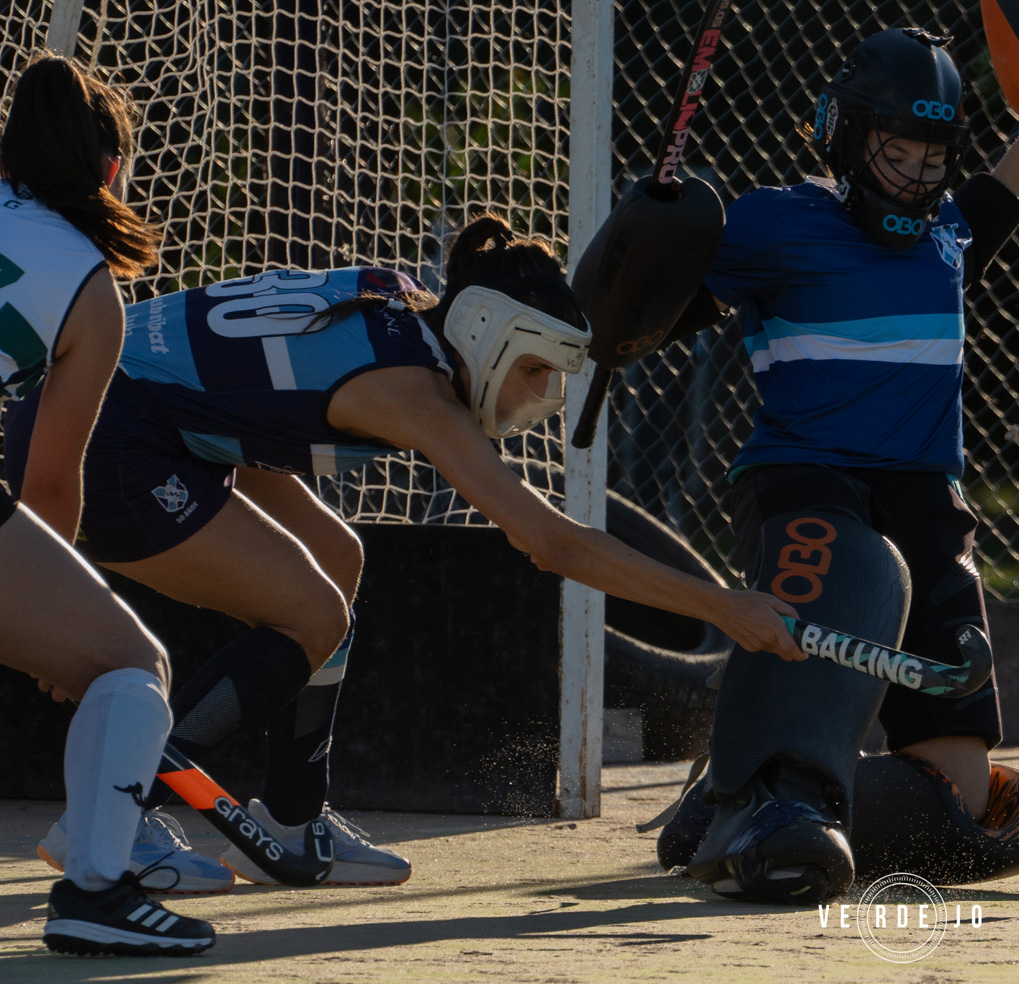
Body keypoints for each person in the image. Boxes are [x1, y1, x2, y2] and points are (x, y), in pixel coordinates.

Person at [5, 213, 801, 888]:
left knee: (336, 557)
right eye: (533, 369)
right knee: (312, 614)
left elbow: (235, 375)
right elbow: (552, 543)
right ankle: (116, 817)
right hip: (112, 434)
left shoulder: (407, 309)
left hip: (150, 415)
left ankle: (291, 819)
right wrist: (725, 606)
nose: (538, 396)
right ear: (485, 333)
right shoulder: (414, 392)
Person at [650, 27, 1019, 903]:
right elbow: (651, 314)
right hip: (806, 479)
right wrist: (646, 239)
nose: (918, 177)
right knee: (847, 566)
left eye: (934, 157)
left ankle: (741, 797)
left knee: (961, 801)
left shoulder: (948, 233)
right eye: (897, 152)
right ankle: (769, 795)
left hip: (925, 499)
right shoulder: (773, 221)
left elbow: (993, 200)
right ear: (845, 136)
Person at [0, 54, 214, 955]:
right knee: (131, 664)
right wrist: (59, 626)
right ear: (110, 169)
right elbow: (49, 485)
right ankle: (96, 892)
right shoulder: (90, 287)